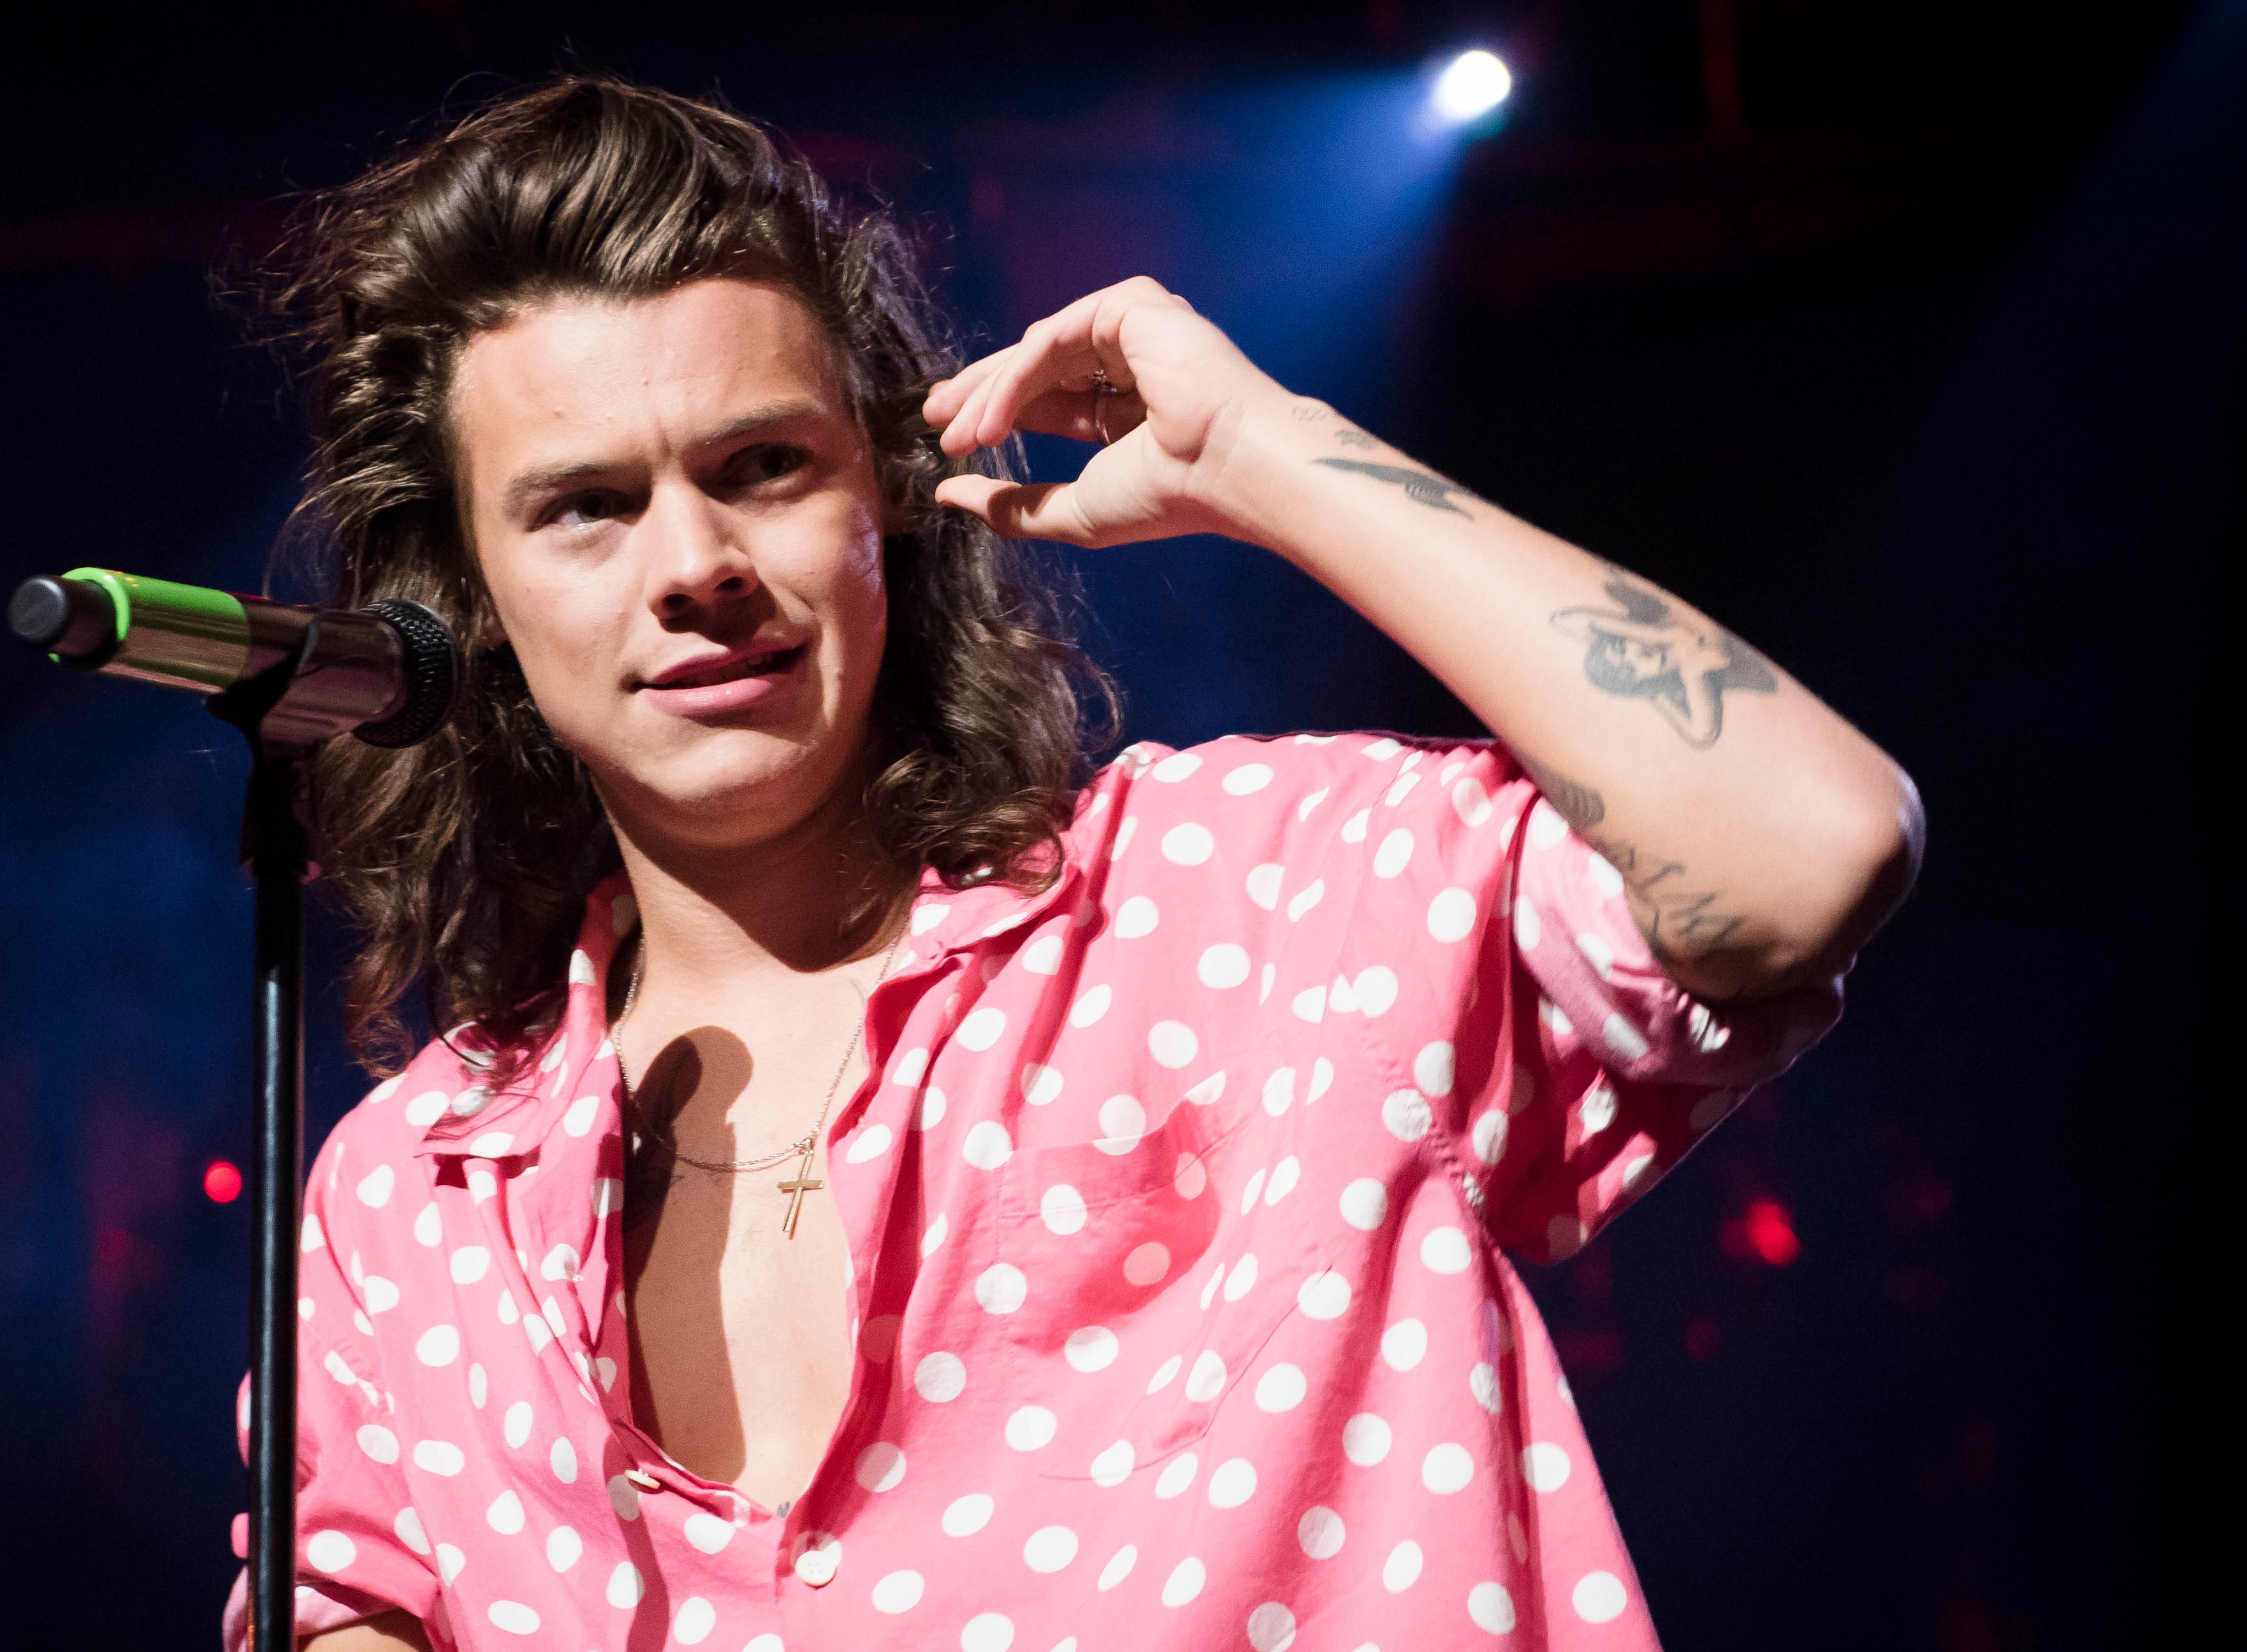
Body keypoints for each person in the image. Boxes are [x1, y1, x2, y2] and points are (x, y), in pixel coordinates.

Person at [233, 76, 1919, 1652]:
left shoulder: (1259, 898)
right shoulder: (409, 1206)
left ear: (888, 494)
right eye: (585, 507)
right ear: (472, 595)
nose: (695, 563)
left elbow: (1808, 853)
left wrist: (1267, 456)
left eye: (762, 466)